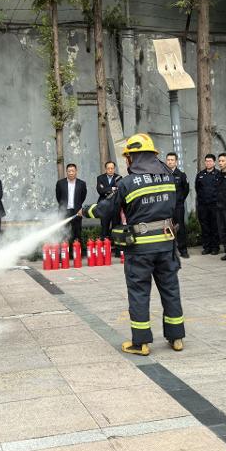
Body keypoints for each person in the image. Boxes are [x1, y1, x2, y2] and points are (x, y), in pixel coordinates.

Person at [81, 133, 185, 356]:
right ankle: (176, 337)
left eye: (128, 157)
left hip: (140, 249)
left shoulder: (127, 183)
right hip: (166, 244)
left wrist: (86, 211)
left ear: (133, 158)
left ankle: (141, 343)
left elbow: (106, 209)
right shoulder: (169, 178)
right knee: (170, 290)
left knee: (139, 293)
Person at [56, 163, 88, 253]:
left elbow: (83, 197)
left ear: (76, 171)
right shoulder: (60, 183)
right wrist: (63, 207)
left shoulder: (81, 183)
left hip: (77, 211)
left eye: (72, 171)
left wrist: (78, 206)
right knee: (64, 233)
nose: (71, 173)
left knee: (77, 233)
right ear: (66, 172)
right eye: (69, 171)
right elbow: (58, 197)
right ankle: (65, 254)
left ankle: (77, 253)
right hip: (64, 211)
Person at [166, 152, 190, 258]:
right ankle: (169, 251)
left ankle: (183, 250)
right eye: (168, 160)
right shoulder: (163, 175)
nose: (170, 162)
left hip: (178, 206)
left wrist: (180, 199)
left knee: (180, 228)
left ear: (176, 162)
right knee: (167, 228)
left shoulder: (181, 175)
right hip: (166, 207)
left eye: (172, 160)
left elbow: (186, 190)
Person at [195, 153, 219, 255]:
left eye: (210, 161)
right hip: (203, 205)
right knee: (205, 227)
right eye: (206, 161)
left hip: (214, 205)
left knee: (214, 227)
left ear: (214, 162)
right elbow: (197, 188)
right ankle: (207, 247)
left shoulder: (218, 174)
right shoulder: (200, 175)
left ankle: (215, 247)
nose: (208, 163)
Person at [96, 161, 122, 252]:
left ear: (114, 169)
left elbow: (119, 190)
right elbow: (100, 191)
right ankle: (104, 251)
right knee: (104, 228)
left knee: (116, 228)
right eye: (108, 168)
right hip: (104, 207)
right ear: (105, 169)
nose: (110, 170)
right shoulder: (100, 178)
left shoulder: (119, 178)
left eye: (112, 168)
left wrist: (106, 189)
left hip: (115, 207)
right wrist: (112, 188)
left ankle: (117, 250)